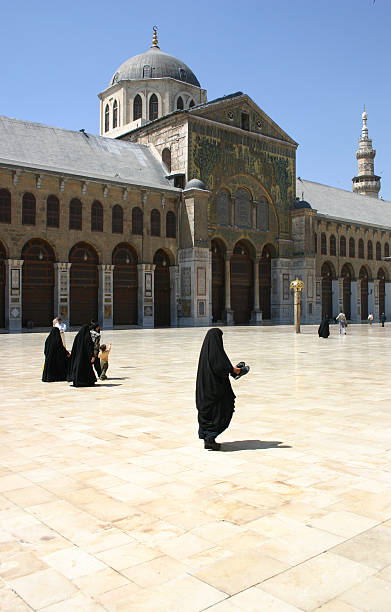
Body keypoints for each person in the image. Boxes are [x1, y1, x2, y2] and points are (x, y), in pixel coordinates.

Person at [196, 328, 241, 451]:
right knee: (221, 409)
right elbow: (221, 366)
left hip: (206, 390)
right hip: (215, 391)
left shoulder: (206, 353)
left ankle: (208, 439)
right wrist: (233, 370)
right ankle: (210, 438)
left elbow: (221, 365)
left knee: (209, 412)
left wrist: (231, 369)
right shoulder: (217, 354)